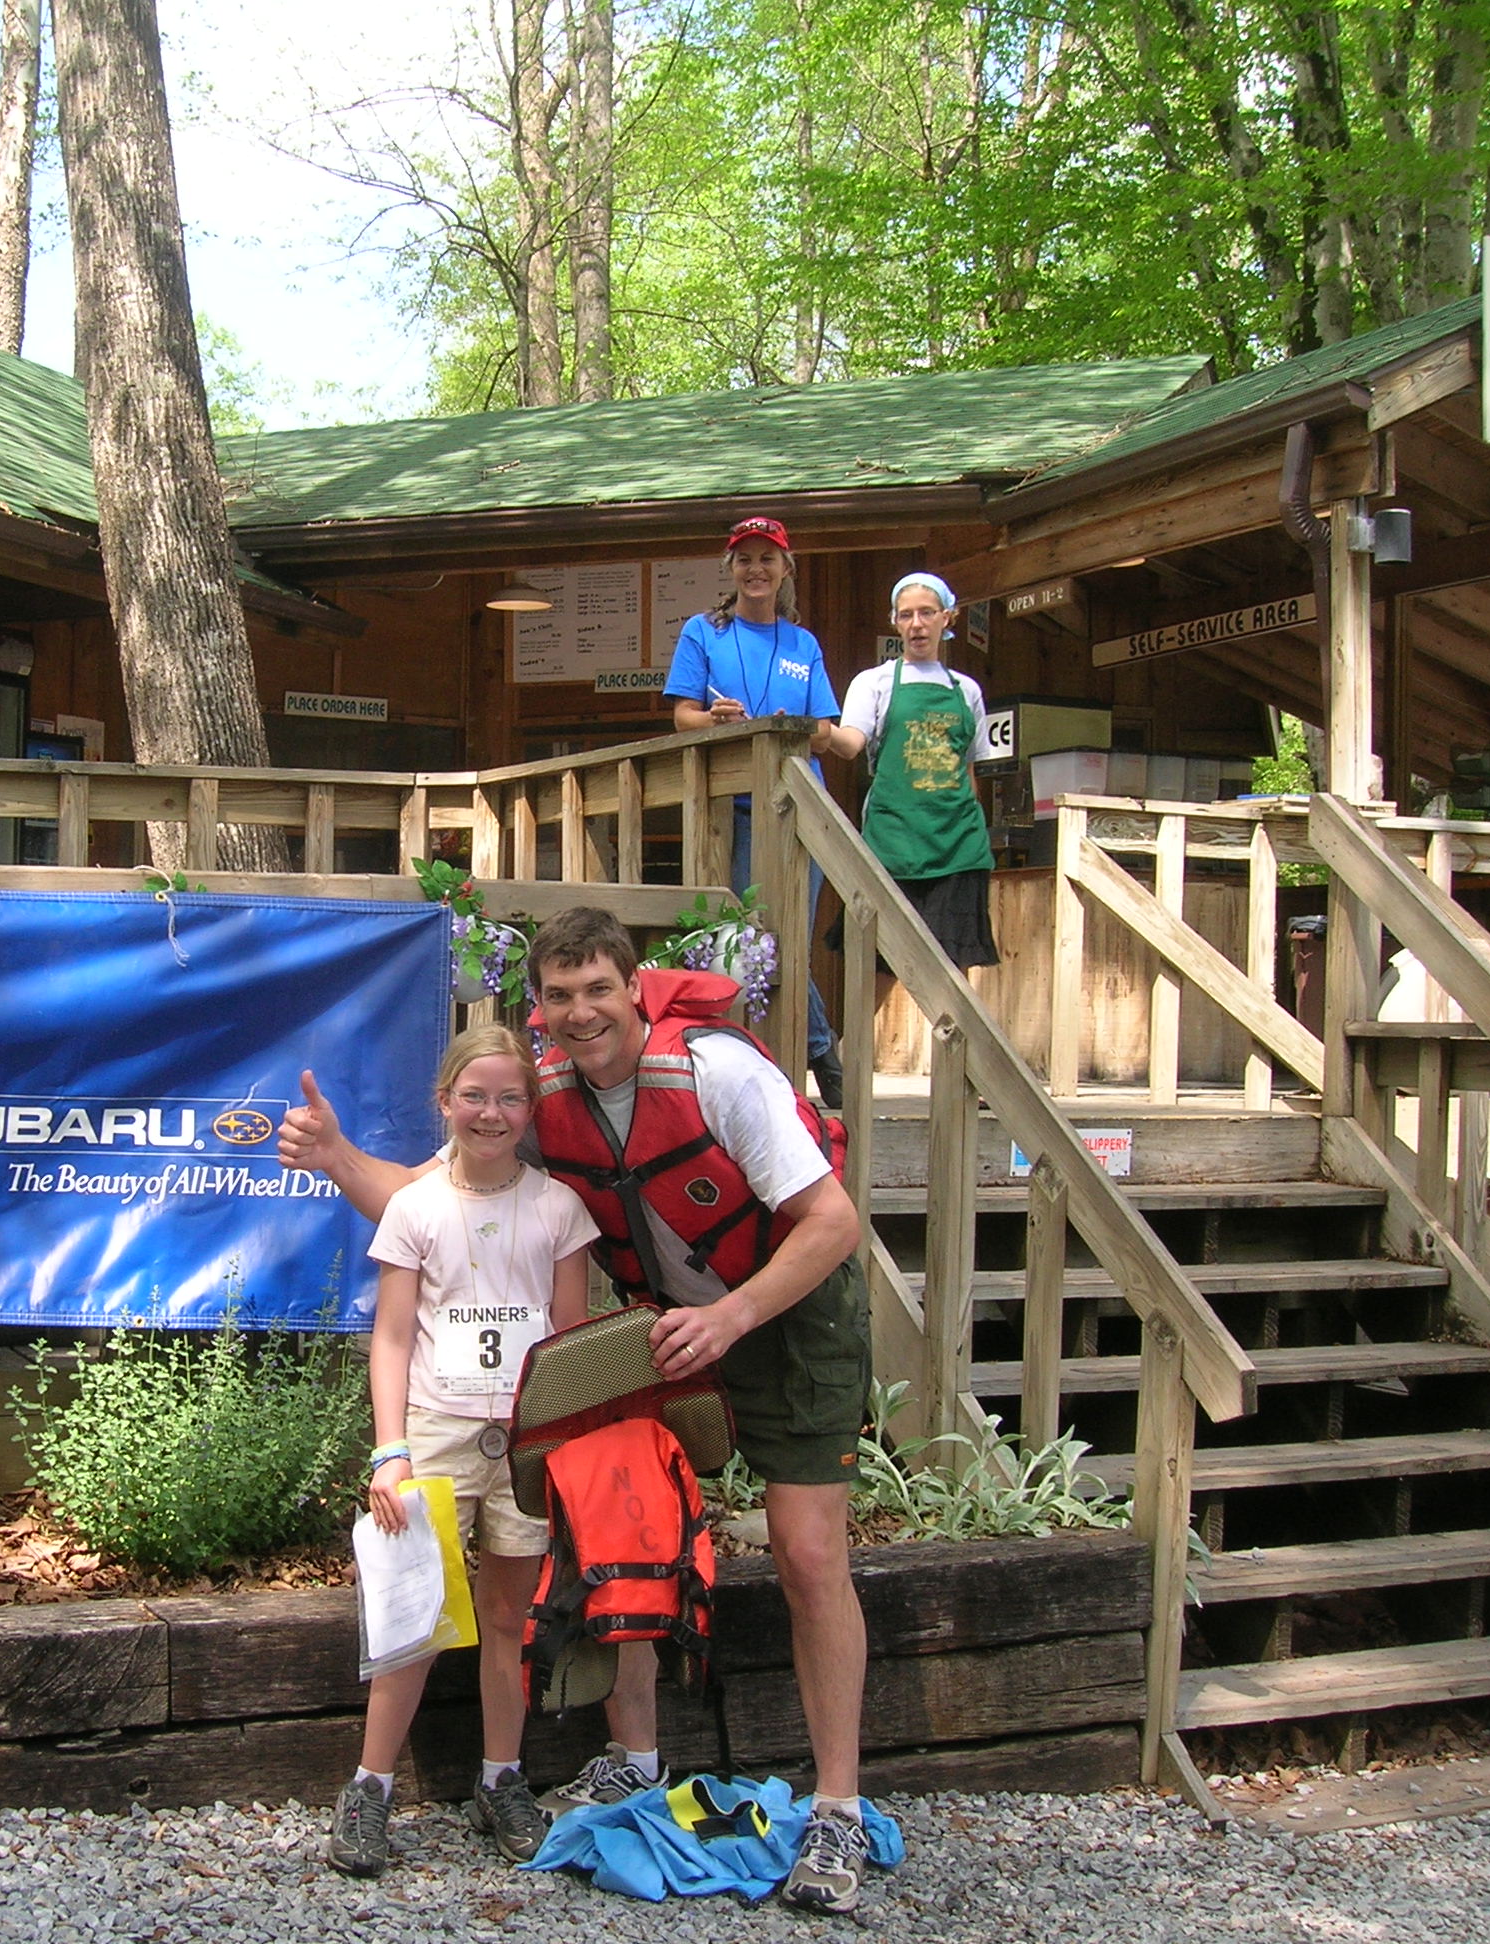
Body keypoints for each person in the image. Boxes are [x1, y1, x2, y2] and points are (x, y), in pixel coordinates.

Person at [284, 907, 878, 1914]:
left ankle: (837, 1808)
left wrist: (731, 1317)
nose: (581, 1011)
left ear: (634, 988)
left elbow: (833, 1222)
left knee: (808, 1553)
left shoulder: (719, 1074)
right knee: (624, 1521)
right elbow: (428, 1197)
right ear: (540, 1008)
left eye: (599, 988)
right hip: (668, 1325)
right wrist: (339, 1155)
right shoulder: (546, 1092)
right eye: (559, 996)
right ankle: (634, 1758)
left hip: (783, 1311)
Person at [328, 1024, 598, 1880]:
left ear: (532, 1108)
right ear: (444, 1102)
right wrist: (390, 1451)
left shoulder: (558, 1208)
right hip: (437, 1432)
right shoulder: (416, 1206)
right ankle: (370, 1786)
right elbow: (392, 1336)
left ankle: (501, 1776)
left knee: (509, 1619)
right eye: (474, 1096)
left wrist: (561, 1442)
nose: (491, 1113)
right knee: (415, 1616)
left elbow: (570, 1336)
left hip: (524, 1439)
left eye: (510, 1098)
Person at [665, 516, 846, 1107]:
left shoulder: (803, 643)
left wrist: (800, 726)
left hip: (799, 806)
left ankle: (806, 1053)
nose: (756, 569)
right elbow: (682, 717)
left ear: (786, 569)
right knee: (757, 936)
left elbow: (826, 730)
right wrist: (713, 719)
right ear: (731, 569)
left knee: (789, 939)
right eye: (745, 559)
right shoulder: (703, 631)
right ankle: (820, 1053)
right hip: (732, 808)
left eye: (768, 558)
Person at [834, 573, 999, 974]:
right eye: (906, 615)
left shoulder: (967, 690)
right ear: (895, 622)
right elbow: (850, 744)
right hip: (892, 843)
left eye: (927, 613)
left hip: (958, 847)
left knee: (952, 970)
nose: (917, 624)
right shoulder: (873, 683)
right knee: (882, 964)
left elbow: (969, 769)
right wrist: (818, 731)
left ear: (947, 617)